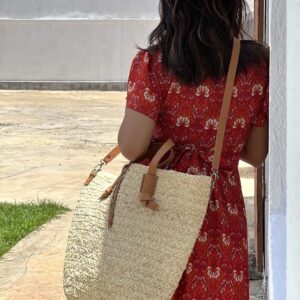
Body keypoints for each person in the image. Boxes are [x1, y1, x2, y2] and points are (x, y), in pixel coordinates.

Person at [118, 0, 269, 299]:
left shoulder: (153, 65)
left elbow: (131, 146)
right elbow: (255, 153)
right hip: (221, 218)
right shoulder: (255, 67)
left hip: (160, 210)